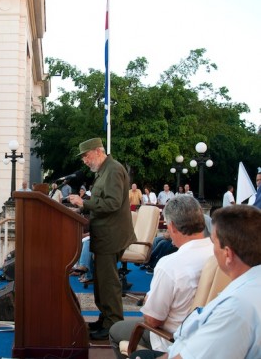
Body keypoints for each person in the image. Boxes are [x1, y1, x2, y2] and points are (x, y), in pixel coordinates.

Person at [130, 205, 261, 359]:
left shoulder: (235, 310)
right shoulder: (250, 286)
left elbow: (187, 355)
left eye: (214, 242)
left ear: (227, 254)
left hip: (172, 343)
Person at [109, 194, 213, 358]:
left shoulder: (170, 265)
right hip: (210, 337)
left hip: (173, 339)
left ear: (171, 227)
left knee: (115, 331)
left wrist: (148, 300)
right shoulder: (219, 255)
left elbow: (152, 320)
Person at [67, 137, 136, 340]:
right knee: (101, 280)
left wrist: (84, 203)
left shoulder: (113, 170)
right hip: (105, 233)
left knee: (108, 282)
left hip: (111, 235)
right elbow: (103, 200)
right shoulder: (104, 171)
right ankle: (105, 318)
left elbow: (112, 204)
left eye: (86, 156)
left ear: (98, 151)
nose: (85, 161)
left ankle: (113, 325)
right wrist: (84, 204)